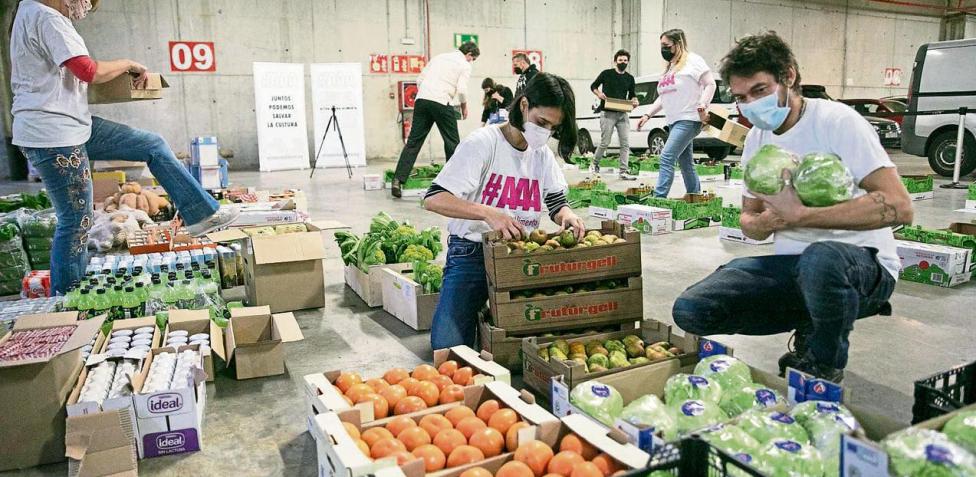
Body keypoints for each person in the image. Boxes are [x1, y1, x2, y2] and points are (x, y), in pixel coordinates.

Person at [671, 32, 913, 382]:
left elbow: (900, 207)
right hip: (797, 270)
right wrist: (767, 221)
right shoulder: (757, 137)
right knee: (693, 309)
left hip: (865, 267)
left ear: (788, 76)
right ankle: (811, 323)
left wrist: (803, 216)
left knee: (821, 259)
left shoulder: (838, 122)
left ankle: (823, 363)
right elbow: (748, 220)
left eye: (759, 91)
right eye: (741, 97)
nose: (750, 105)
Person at [9, 0, 239, 295]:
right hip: (54, 136)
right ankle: (67, 301)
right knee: (76, 221)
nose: (80, 9)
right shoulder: (45, 16)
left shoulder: (34, 14)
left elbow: (68, 76)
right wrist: (127, 63)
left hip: (72, 125)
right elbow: (87, 69)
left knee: (151, 144)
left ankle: (201, 214)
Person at [423, 73, 585, 349]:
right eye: (541, 122)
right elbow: (434, 198)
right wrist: (488, 213)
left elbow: (556, 202)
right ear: (523, 105)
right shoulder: (483, 143)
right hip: (473, 253)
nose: (545, 133)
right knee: (448, 350)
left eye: (552, 128)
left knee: (529, 343)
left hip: (522, 257)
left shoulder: (542, 155)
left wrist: (567, 215)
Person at [392, 42, 479, 198]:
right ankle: (452, 184)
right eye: (472, 59)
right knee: (452, 142)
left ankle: (398, 180)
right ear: (469, 55)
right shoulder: (464, 65)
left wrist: (428, 94)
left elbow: (420, 80)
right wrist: (464, 107)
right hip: (442, 101)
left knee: (413, 141)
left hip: (422, 100)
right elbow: (462, 89)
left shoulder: (439, 57)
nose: (471, 62)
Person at [637, 29, 716, 197]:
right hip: (674, 121)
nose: (663, 49)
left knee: (666, 157)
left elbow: (710, 84)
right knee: (685, 162)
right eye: (661, 46)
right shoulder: (670, 68)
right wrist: (647, 115)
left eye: (666, 45)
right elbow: (663, 96)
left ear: (678, 44)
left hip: (689, 119)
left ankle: (659, 198)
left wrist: (703, 103)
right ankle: (695, 197)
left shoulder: (694, 61)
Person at [590, 49, 639, 180]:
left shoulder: (630, 78)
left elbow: (632, 94)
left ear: (628, 62)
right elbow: (593, 86)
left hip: (622, 113)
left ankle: (623, 171)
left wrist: (635, 100)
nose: (623, 62)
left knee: (625, 143)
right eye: (620, 60)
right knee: (605, 142)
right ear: (615, 61)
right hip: (607, 113)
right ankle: (594, 164)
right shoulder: (607, 74)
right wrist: (599, 94)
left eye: (625, 60)